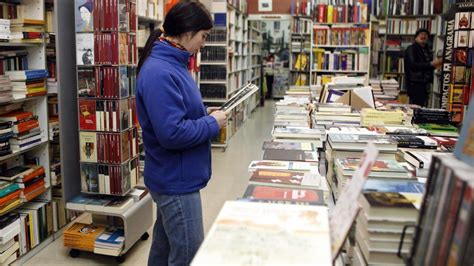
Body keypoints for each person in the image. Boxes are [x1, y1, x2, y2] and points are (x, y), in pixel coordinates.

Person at [135, 2, 227, 265]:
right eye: (203, 36)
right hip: (175, 180)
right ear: (187, 32)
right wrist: (211, 124)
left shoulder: (174, 63)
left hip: (175, 175)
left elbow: (176, 112)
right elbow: (171, 133)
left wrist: (204, 112)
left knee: (164, 250)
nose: (204, 43)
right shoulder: (160, 72)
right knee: (188, 254)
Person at [404, 28, 442, 106]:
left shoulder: (426, 50)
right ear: (416, 37)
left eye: (425, 35)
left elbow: (427, 66)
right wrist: (432, 64)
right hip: (415, 83)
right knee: (416, 107)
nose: (423, 36)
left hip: (424, 83)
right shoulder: (411, 49)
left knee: (421, 106)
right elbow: (413, 65)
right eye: (421, 34)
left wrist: (436, 65)